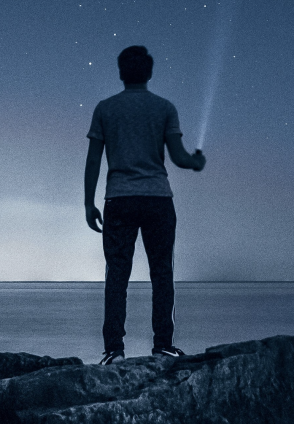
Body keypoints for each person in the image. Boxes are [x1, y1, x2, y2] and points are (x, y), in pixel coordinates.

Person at [84, 45, 206, 365]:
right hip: (157, 199)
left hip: (119, 199)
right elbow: (179, 157)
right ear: (149, 73)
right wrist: (196, 162)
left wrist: (88, 203)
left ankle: (114, 350)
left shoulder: (105, 108)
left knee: (117, 275)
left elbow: (94, 159)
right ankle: (162, 344)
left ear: (121, 73)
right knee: (162, 273)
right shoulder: (164, 108)